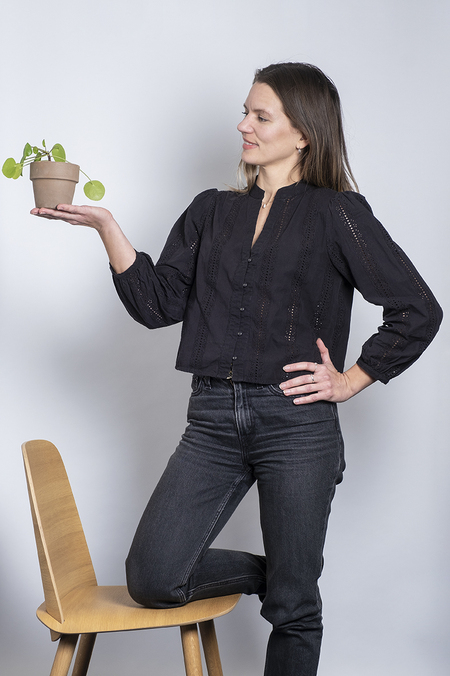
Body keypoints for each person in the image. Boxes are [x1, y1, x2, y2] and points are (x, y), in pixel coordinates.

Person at [32, 63, 442, 676]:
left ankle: (292, 583)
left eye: (260, 115)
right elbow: (156, 306)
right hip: (213, 420)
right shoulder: (210, 210)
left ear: (303, 133)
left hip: (297, 424)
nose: (244, 125)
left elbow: (417, 309)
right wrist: (107, 228)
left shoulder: (337, 213)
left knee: (294, 610)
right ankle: (282, 573)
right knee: (153, 576)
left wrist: (351, 379)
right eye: (244, 112)